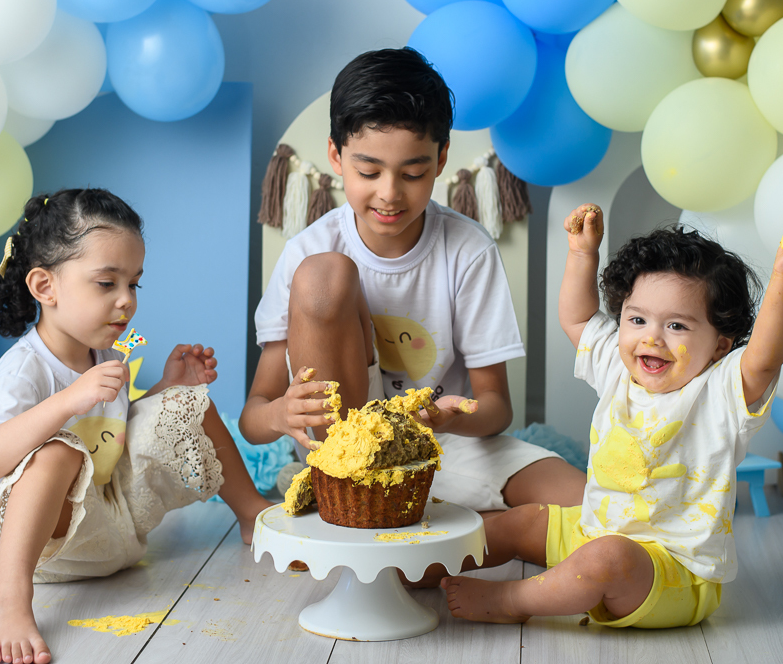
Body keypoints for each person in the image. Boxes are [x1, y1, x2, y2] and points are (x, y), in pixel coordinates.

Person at [440, 203, 783, 627]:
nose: (651, 338)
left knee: (607, 559)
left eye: (676, 326)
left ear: (719, 346)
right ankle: (418, 569)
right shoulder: (619, 368)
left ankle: (512, 599)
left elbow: (765, 359)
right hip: (594, 533)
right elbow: (578, 317)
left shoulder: (721, 391)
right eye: (637, 319)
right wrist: (583, 254)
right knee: (523, 521)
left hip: (671, 574)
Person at [240, 47, 586, 513]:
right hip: (342, 455)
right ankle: (347, 490)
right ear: (334, 156)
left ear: (441, 159)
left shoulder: (467, 248)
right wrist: (280, 414)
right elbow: (253, 416)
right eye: (368, 171)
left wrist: (449, 419)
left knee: (584, 503)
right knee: (324, 275)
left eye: (413, 172)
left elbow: (496, 408)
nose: (389, 193)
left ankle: (412, 513)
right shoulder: (307, 249)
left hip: (435, 445)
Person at [0, 188, 271, 664]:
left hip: (108, 519)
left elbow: (113, 434)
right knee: (58, 452)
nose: (127, 302)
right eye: (107, 284)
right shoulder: (25, 368)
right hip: (33, 542)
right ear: (45, 287)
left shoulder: (104, 353)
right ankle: (10, 598)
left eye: (134, 284)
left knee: (188, 403)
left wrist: (170, 387)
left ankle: (253, 516)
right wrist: (67, 401)